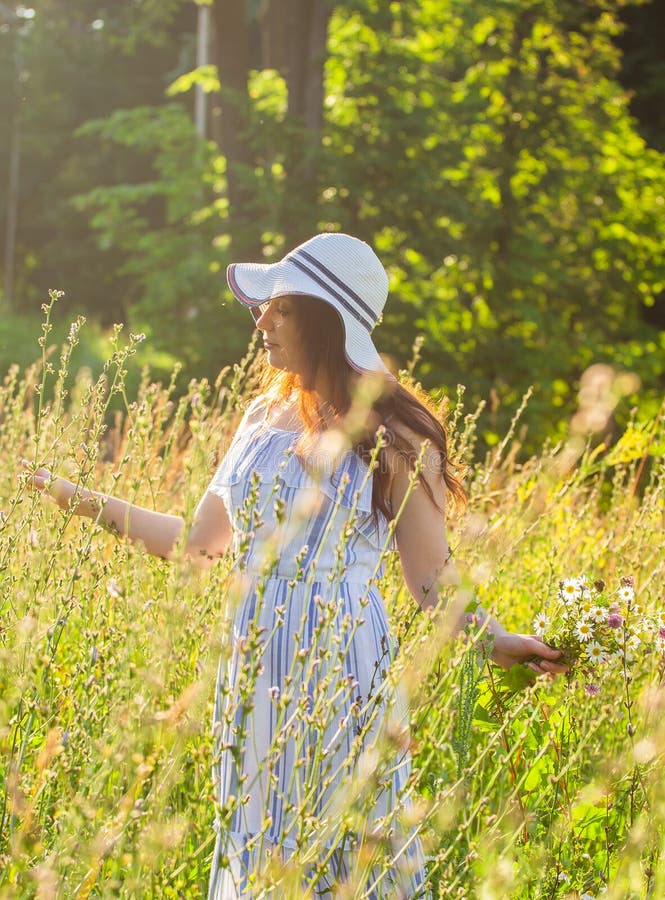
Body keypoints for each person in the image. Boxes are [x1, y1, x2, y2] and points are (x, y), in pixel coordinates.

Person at [23, 232, 567, 898]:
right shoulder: (261, 415)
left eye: (280, 308)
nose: (261, 320)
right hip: (252, 665)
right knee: (259, 852)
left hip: (342, 665)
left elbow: (431, 578)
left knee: (351, 849)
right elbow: (199, 546)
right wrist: (82, 501)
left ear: (323, 318)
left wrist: (493, 639)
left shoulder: (397, 432)